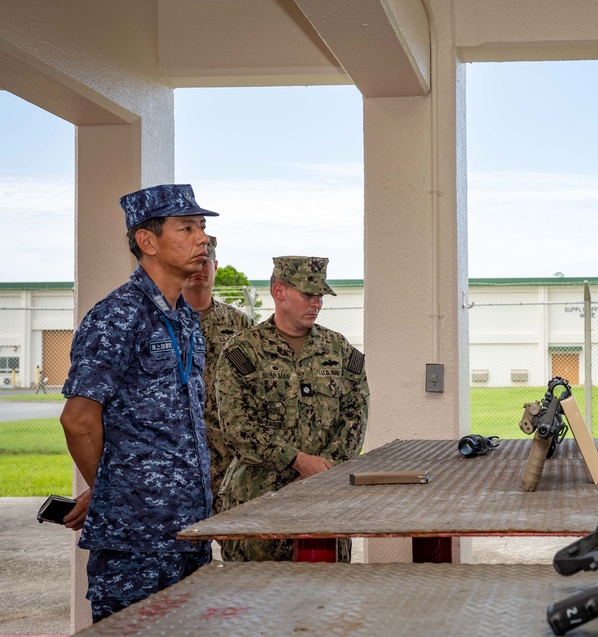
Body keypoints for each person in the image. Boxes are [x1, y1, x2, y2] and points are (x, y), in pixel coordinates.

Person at [58, 184, 218, 621]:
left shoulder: (183, 317)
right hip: (137, 544)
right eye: (186, 227)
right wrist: (113, 490)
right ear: (147, 242)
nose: (202, 238)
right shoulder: (119, 315)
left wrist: (112, 484)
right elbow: (78, 420)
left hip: (188, 532)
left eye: (202, 227)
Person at [215, 256, 369, 562]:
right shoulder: (243, 352)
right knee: (259, 600)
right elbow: (237, 427)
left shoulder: (338, 350)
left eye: (320, 296)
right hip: (259, 502)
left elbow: (356, 415)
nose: (316, 303)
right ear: (279, 292)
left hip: (324, 502)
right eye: (307, 294)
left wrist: (323, 469)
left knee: (325, 598)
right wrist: (297, 461)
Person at [181, 235, 253, 516]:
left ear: (216, 266)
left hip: (230, 461)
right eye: (193, 263)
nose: (199, 270)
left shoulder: (240, 325)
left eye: (205, 262)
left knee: (238, 545)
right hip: (180, 461)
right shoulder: (161, 322)